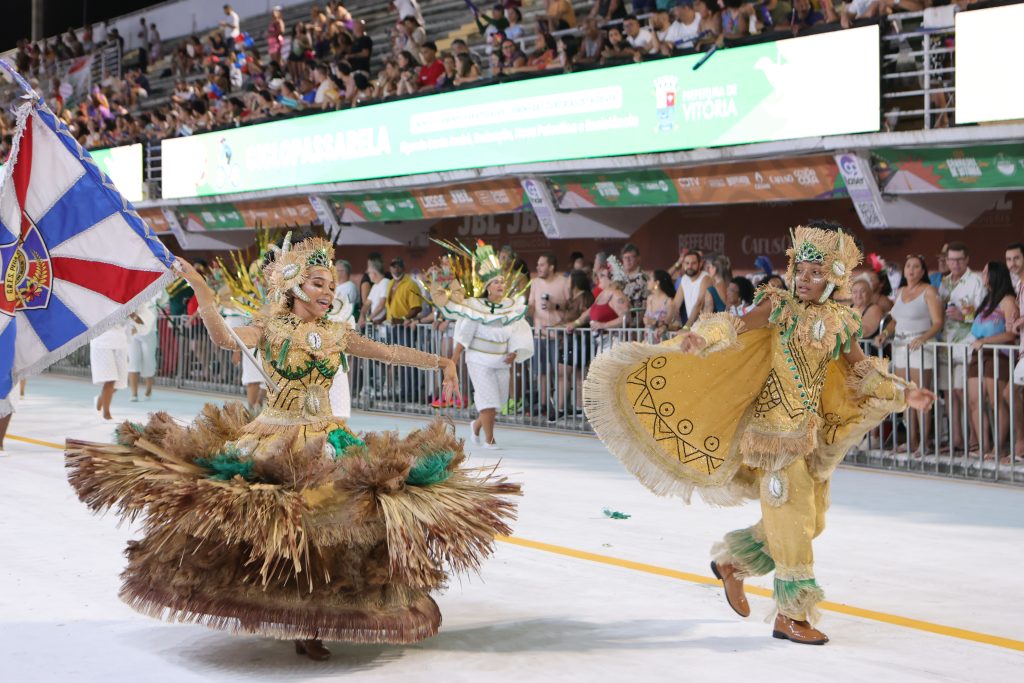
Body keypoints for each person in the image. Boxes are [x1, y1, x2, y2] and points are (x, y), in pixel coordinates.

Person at [66, 234, 520, 661]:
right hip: (276, 437)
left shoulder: (337, 333)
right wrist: (201, 286)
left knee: (331, 528)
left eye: (332, 284)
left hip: (327, 438)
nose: (328, 291)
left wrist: (440, 362)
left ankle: (313, 621)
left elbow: (387, 353)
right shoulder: (270, 328)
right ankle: (285, 611)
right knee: (284, 529)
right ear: (295, 287)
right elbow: (224, 338)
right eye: (318, 284)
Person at [584, 222, 935, 645]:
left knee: (814, 520)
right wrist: (701, 336)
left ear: (835, 277)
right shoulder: (779, 307)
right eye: (799, 271)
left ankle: (734, 562)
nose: (803, 280)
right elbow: (737, 324)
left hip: (809, 435)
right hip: (772, 438)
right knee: (792, 519)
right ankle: (791, 615)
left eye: (815, 273)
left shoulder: (839, 321)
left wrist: (905, 394)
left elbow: (859, 371)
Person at [433, 241, 534, 449]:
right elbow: (464, 334)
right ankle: (490, 440)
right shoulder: (476, 307)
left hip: (501, 360)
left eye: (502, 282)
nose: (500, 285)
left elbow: (518, 331)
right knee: (487, 400)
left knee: (496, 403)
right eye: (495, 282)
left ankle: (476, 426)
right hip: (478, 359)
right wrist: (453, 361)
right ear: (487, 286)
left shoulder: (511, 307)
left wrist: (514, 353)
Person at [876, 256, 944, 454]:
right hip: (900, 346)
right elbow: (894, 321)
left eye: (916, 267)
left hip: (920, 345)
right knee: (905, 396)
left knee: (921, 394)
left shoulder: (929, 291)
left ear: (923, 271)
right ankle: (911, 440)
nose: (911, 270)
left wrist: (923, 338)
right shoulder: (900, 291)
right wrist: (885, 334)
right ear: (904, 271)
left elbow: (938, 322)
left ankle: (925, 442)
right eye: (908, 266)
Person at [965, 262, 1019, 458]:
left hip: (998, 354)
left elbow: (1010, 334)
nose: (982, 275)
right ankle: (984, 445)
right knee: (974, 401)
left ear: (995, 275)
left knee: (996, 402)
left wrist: (986, 341)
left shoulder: (1008, 300)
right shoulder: (986, 299)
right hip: (978, 353)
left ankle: (999, 446)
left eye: (986, 272)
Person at [938, 242, 985, 451]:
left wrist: (964, 315)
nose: (955, 263)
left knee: (963, 393)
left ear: (967, 260)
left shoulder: (976, 281)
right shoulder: (944, 282)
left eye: (959, 259)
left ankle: (975, 439)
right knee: (949, 393)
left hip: (967, 345)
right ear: (946, 261)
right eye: (951, 259)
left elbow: (986, 315)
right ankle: (956, 439)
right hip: (946, 346)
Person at [529, 252, 570, 419]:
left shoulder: (564, 282)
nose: (538, 268)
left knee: (560, 373)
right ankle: (543, 404)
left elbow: (571, 306)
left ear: (551, 267)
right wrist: (525, 311)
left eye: (542, 265)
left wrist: (555, 306)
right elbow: (532, 304)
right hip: (540, 334)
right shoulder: (535, 283)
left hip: (559, 336)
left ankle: (560, 407)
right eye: (538, 265)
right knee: (542, 372)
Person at [89, 319, 134, 420]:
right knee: (110, 379)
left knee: (118, 384)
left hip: (121, 342)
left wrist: (133, 316)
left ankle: (100, 400)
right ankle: (106, 414)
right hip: (102, 340)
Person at [127, 295, 160, 402]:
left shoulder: (153, 299)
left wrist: (137, 325)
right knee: (133, 362)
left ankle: (148, 389)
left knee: (148, 362)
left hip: (149, 333)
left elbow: (149, 319)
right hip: (132, 333)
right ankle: (134, 393)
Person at [672, 249, 712, 329]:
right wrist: (670, 322)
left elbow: (699, 303)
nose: (690, 266)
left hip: (705, 327)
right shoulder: (684, 279)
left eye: (693, 263)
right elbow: (675, 304)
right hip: (693, 327)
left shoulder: (705, 278)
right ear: (683, 265)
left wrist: (687, 327)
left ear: (700, 264)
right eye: (687, 263)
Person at [643, 270, 678, 343]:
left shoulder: (669, 302)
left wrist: (655, 322)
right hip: (649, 340)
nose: (647, 282)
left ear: (657, 283)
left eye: (649, 279)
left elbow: (674, 324)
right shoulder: (650, 299)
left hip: (663, 342)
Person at [620, 243, 647, 326]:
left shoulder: (643, 278)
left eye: (631, 257)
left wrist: (637, 324)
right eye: (625, 257)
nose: (627, 260)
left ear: (638, 259)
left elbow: (645, 303)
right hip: (619, 323)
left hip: (635, 323)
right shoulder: (618, 278)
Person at [849, 276, 883, 343]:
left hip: (867, 351)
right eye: (855, 292)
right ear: (851, 295)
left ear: (870, 293)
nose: (858, 295)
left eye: (862, 291)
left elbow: (864, 331)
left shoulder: (875, 309)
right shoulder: (848, 308)